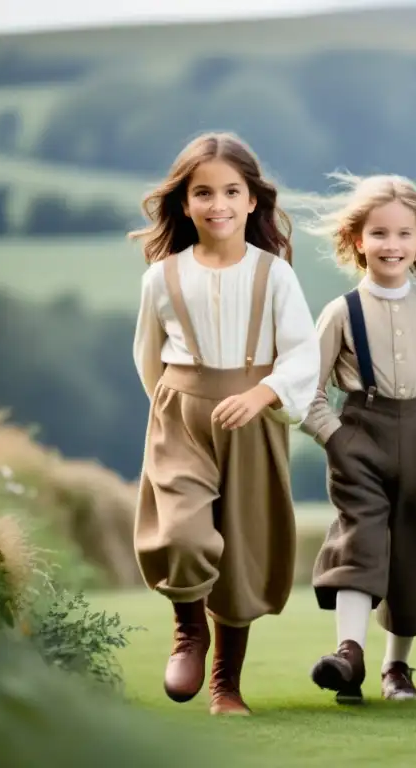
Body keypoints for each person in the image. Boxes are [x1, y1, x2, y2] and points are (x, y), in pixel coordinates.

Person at [130, 132, 321, 716]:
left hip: (254, 417)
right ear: (184, 203)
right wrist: (179, 403)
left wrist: (262, 394)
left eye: (231, 191)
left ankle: (225, 684)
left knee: (241, 550)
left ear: (252, 200)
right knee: (183, 532)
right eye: (203, 193)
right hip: (182, 417)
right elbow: (148, 357)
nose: (218, 204)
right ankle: (189, 629)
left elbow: (303, 354)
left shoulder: (275, 275)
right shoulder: (161, 278)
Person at [298, 173, 416, 704]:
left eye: (402, 234)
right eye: (378, 234)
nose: (390, 245)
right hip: (360, 440)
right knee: (362, 539)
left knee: (414, 552)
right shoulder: (341, 312)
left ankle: (397, 669)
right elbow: (305, 389)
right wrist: (334, 438)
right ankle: (349, 654)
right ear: (356, 241)